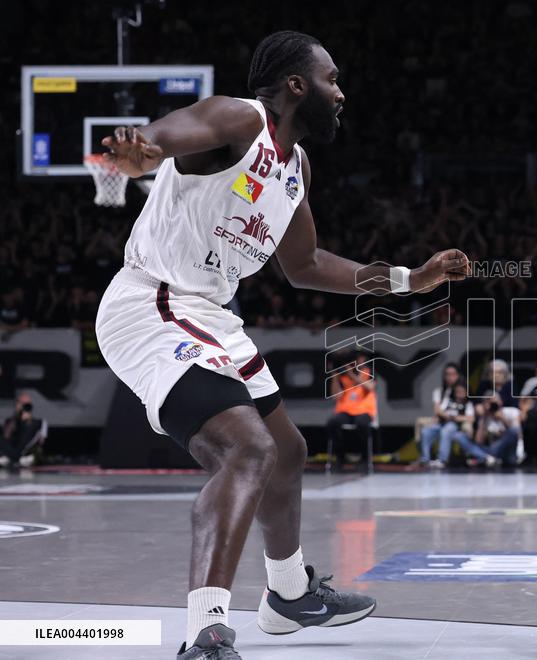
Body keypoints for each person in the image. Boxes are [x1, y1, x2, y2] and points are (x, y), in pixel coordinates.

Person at [94, 30, 471, 659]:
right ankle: (207, 632)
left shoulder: (295, 167)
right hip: (151, 303)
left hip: (210, 313)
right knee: (248, 449)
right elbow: (165, 137)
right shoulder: (239, 118)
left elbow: (305, 264)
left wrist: (411, 280)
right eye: (332, 80)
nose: (341, 93)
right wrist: (142, 156)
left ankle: (289, 595)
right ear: (297, 86)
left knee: (288, 451)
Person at [326, 351, 377, 469]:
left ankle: (365, 459)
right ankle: (340, 457)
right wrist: (334, 374)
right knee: (332, 423)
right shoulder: (342, 376)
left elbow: (370, 387)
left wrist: (353, 376)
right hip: (346, 410)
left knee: (362, 424)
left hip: (364, 410)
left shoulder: (368, 372)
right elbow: (335, 396)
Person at [418, 362, 462, 467]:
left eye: (453, 374)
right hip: (442, 422)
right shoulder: (439, 392)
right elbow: (437, 410)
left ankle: (442, 460)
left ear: (458, 375)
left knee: (446, 430)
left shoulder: (462, 391)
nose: (450, 377)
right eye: (447, 374)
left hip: (456, 423)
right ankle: (425, 459)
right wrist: (446, 415)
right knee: (425, 431)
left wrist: (452, 417)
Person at [0, 393, 48, 469]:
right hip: (10, 451)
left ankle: (15, 459)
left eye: (26, 404)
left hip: (27, 453)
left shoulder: (40, 423)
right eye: (21, 403)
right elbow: (6, 437)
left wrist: (28, 422)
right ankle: (12, 458)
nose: (24, 407)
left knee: (33, 454)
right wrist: (17, 417)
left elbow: (40, 442)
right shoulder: (10, 421)